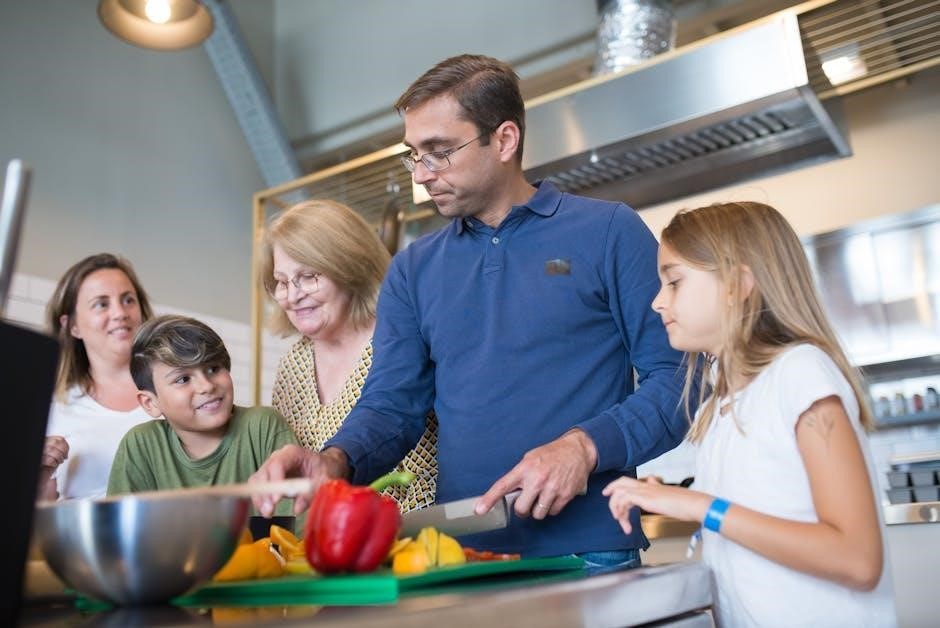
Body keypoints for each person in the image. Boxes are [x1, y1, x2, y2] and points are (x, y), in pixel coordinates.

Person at [252, 54, 687, 567]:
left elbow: (679, 381)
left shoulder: (609, 232)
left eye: (439, 153)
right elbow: (392, 406)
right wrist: (335, 460)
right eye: (414, 155)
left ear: (504, 140)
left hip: (590, 550)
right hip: (461, 553)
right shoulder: (413, 269)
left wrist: (585, 447)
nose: (422, 175)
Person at [603, 202, 897, 626]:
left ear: (737, 285)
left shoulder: (801, 373)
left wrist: (701, 506)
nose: (657, 303)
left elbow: (857, 560)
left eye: (674, 282)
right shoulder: (724, 404)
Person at [258, 199, 437, 512]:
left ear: (350, 268)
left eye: (308, 276)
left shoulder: (399, 339)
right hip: (335, 533)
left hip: (420, 528)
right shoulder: (293, 363)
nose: (293, 296)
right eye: (282, 282)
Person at [107, 315, 297, 519]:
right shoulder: (141, 445)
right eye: (183, 379)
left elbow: (296, 526)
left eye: (213, 368)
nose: (206, 386)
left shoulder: (262, 426)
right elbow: (119, 529)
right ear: (150, 403)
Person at [40, 253, 155, 500]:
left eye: (128, 300)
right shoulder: (53, 410)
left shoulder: (177, 390)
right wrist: (40, 476)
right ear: (72, 326)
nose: (120, 313)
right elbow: (35, 510)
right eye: (102, 304)